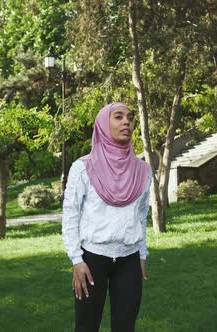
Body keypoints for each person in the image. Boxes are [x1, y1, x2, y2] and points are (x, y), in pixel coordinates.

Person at [62, 102, 152, 332]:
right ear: (103, 124)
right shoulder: (83, 168)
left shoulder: (142, 170)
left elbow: (141, 217)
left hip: (129, 260)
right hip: (91, 261)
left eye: (130, 118)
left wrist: (142, 255)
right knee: (86, 326)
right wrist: (76, 260)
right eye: (118, 117)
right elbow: (70, 216)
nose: (126, 122)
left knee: (125, 327)